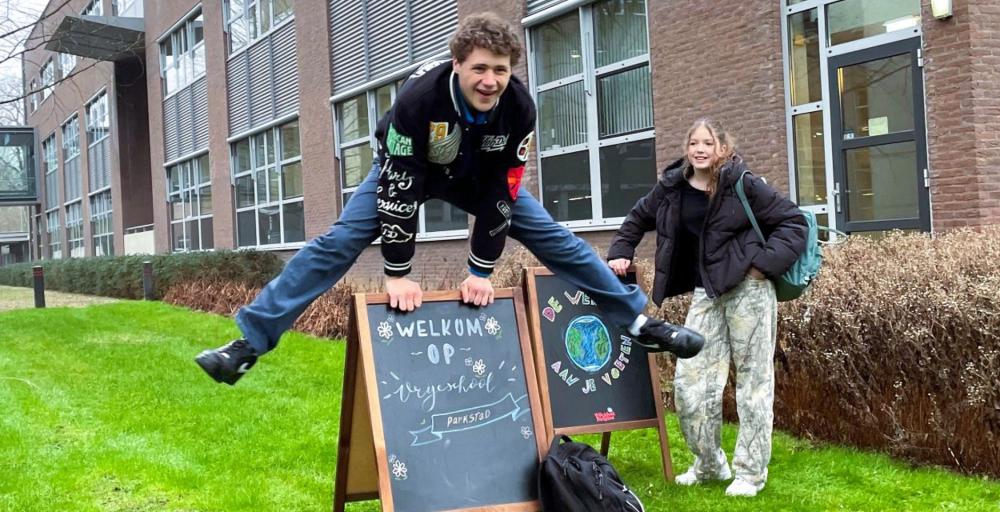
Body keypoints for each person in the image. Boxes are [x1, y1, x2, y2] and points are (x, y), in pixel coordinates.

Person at [195, 13, 704, 386]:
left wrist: (480, 270)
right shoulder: (419, 101)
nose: (490, 81)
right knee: (338, 242)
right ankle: (249, 344)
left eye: (501, 70)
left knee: (558, 240)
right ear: (457, 63)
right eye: (480, 68)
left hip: (479, 175)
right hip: (404, 169)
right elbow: (398, 195)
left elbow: (503, 194)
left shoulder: (520, 109)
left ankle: (638, 322)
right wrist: (398, 273)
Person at [607, 117, 808, 497]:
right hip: (707, 292)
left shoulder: (742, 184)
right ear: (687, 148)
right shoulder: (671, 188)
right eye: (694, 143)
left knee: (753, 385)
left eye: (708, 143)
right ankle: (710, 464)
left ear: (721, 147)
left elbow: (793, 223)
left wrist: (762, 267)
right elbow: (637, 218)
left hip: (749, 290)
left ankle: (750, 473)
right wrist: (620, 251)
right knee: (690, 383)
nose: (700, 149)